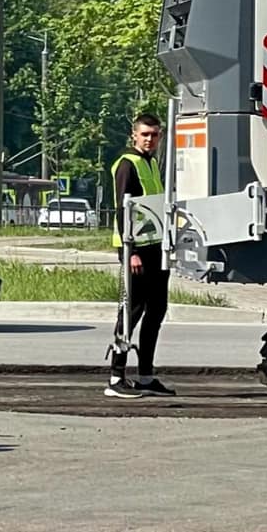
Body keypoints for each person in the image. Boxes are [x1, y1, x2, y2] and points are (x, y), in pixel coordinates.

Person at [106, 112, 174, 399]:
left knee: (156, 310)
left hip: (156, 247)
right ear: (134, 135)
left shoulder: (151, 162)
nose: (149, 139)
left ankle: (146, 376)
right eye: (145, 134)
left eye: (154, 135)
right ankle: (116, 377)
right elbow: (124, 209)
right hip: (136, 251)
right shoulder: (127, 164)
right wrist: (130, 251)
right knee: (131, 312)